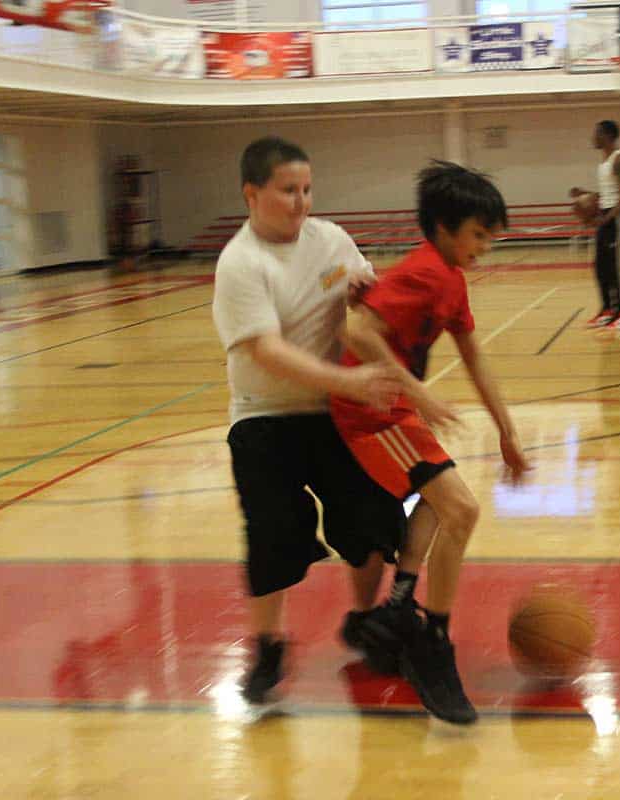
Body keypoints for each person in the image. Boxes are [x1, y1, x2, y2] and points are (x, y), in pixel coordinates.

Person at [330, 160, 531, 725]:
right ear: (444, 228)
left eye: (492, 236)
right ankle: (430, 640)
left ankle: (401, 607)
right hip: (369, 413)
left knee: (447, 502)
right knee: (459, 508)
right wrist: (417, 392)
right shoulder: (423, 273)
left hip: (395, 409)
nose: (486, 246)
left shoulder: (452, 279)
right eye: (478, 234)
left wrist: (508, 430)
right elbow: (356, 330)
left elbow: (475, 357)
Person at [212, 135, 405, 706]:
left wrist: (374, 304)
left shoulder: (331, 240)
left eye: (307, 189)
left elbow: (365, 302)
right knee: (270, 535)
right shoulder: (240, 264)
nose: (301, 202)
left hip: (333, 416)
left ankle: (365, 620)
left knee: (371, 518)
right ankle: (268, 645)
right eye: (287, 190)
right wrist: (348, 380)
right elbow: (266, 351)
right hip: (264, 419)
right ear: (252, 194)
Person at [572, 120, 620, 331]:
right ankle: (607, 311)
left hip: (619, 217)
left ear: (607, 135)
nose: (593, 137)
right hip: (607, 216)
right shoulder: (603, 163)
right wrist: (585, 194)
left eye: (596, 133)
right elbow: (607, 194)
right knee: (600, 267)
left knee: (616, 268)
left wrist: (603, 220)